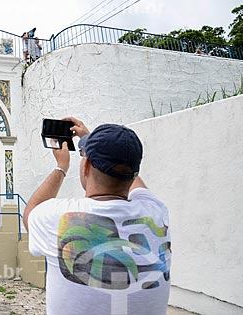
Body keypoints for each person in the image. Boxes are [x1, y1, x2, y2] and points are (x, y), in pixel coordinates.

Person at [23, 118, 171, 315]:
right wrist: (89, 142)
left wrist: (61, 167)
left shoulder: (58, 217)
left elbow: (30, 212)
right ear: (134, 170)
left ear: (86, 166)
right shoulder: (157, 211)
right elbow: (133, 178)